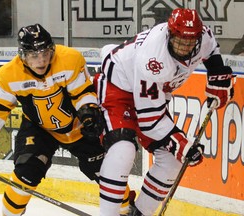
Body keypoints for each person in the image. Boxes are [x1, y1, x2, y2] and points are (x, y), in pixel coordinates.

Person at [94, 8, 234, 216]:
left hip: (149, 98)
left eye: (190, 42)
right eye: (180, 40)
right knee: (123, 148)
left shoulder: (201, 36)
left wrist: (217, 75)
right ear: (170, 33)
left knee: (172, 160)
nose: (185, 47)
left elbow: (212, 49)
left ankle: (140, 213)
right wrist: (182, 144)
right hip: (118, 88)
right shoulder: (154, 59)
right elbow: (149, 119)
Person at [0, 23, 107, 216]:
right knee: (26, 172)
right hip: (39, 129)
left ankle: (128, 210)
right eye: (34, 55)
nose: (42, 59)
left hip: (77, 127)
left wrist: (89, 111)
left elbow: (82, 92)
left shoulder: (69, 59)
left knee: (107, 173)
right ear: (23, 55)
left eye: (45, 52)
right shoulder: (9, 75)